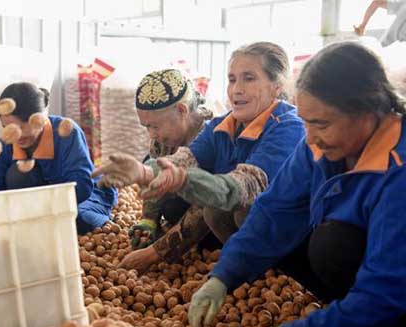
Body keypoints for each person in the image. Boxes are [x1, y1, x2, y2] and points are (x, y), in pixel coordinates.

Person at [188, 41, 406, 327]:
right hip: (374, 279)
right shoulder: (318, 146)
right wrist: (223, 276)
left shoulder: (399, 170)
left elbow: (388, 283)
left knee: (333, 244)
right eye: (305, 121)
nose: (310, 136)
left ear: (367, 111)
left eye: (321, 124)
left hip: (394, 282)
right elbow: (274, 209)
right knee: (296, 233)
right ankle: (348, 318)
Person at [95, 42, 305, 272]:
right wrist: (143, 172)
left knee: (238, 208)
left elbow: (247, 186)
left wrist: (156, 251)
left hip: (293, 230)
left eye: (249, 78)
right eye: (232, 79)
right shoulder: (223, 125)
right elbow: (184, 159)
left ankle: (278, 269)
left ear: (277, 86)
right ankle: (245, 264)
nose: (236, 89)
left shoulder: (287, 127)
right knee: (214, 209)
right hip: (238, 225)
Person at [0, 82, 117, 234]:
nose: (15, 135)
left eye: (22, 127)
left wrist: (40, 210)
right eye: (7, 128)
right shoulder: (6, 143)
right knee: (16, 176)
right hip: (38, 203)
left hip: (81, 198)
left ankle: (104, 216)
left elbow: (82, 187)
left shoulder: (66, 133)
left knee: (76, 220)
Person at [124, 69, 213, 261]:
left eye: (155, 126)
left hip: (214, 222)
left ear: (182, 111)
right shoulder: (161, 141)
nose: (151, 134)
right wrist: (149, 220)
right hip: (182, 210)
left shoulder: (212, 139)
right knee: (151, 165)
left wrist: (154, 253)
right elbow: (155, 179)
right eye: (146, 126)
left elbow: (204, 209)